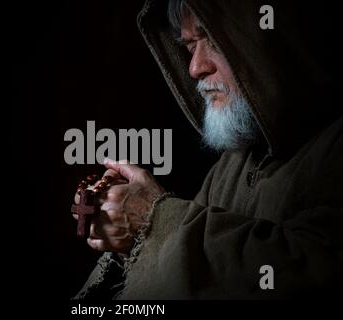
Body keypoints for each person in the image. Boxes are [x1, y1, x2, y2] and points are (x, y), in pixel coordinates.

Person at [73, 0, 343, 299]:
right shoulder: (232, 165)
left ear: (268, 40)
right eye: (190, 46)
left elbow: (313, 272)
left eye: (213, 41)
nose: (195, 68)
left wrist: (152, 218)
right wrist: (130, 236)